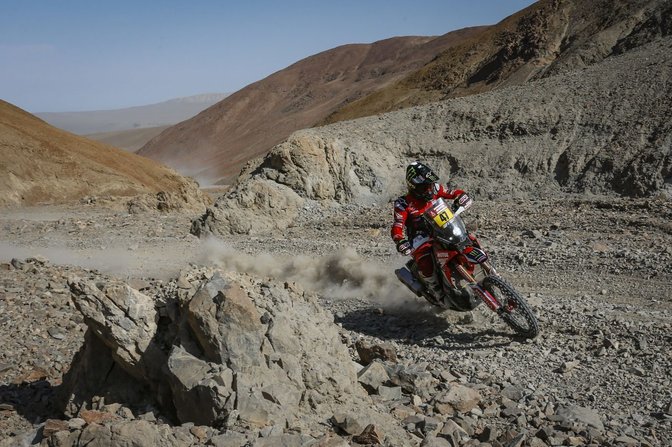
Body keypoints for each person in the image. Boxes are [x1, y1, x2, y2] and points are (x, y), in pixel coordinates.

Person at [391, 161, 472, 299]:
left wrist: (461, 196)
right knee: (426, 261)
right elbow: (397, 226)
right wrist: (400, 241)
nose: (429, 189)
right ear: (413, 186)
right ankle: (435, 289)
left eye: (429, 185)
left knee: (468, 237)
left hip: (442, 228)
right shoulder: (403, 203)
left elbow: (453, 193)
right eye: (424, 187)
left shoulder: (435, 188)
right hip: (420, 237)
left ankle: (483, 268)